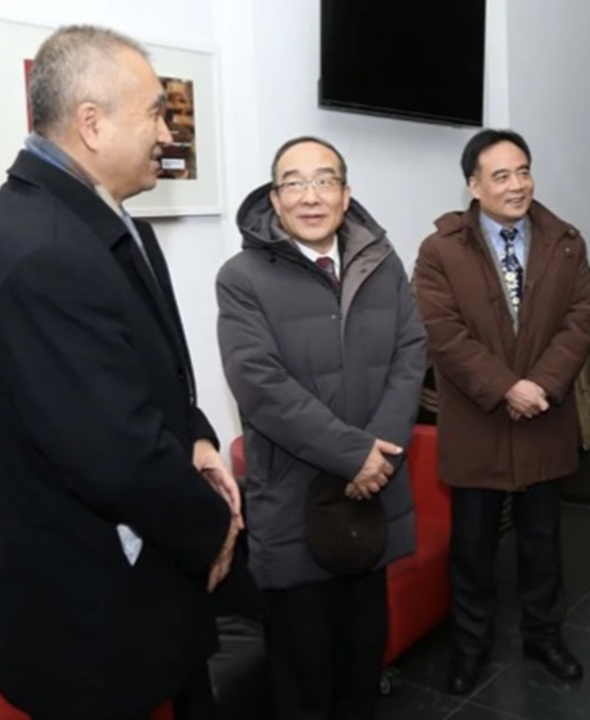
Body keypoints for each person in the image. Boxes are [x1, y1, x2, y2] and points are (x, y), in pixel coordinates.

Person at [0, 25, 240, 720]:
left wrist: (200, 436)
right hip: (93, 626)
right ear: (91, 123)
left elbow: (157, 373)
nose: (167, 132)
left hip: (151, 597)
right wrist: (217, 526)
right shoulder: (41, 252)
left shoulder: (113, 224)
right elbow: (116, 455)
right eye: (154, 112)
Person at [216, 136, 426, 720]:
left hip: (371, 500)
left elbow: (411, 354)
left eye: (324, 181)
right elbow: (259, 387)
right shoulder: (242, 277)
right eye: (294, 183)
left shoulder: (381, 264)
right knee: (303, 672)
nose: (310, 196)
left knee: (363, 659)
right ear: (275, 199)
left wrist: (375, 457)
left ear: (346, 192)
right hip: (293, 502)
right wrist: (353, 457)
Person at [413, 129, 590, 695]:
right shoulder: (441, 250)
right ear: (474, 185)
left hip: (544, 416)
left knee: (543, 542)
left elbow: (584, 312)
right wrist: (506, 387)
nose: (517, 184)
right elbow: (442, 334)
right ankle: (471, 648)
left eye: (523, 170)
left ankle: (545, 638)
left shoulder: (564, 241)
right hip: (479, 421)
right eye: (501, 175)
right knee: (472, 547)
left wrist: (541, 384)